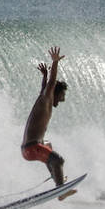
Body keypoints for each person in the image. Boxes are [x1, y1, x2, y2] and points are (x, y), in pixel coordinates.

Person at [22, 45, 68, 186]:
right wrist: (55, 62)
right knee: (58, 160)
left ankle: (56, 177)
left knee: (48, 144)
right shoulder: (47, 98)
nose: (63, 99)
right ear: (54, 92)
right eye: (62, 95)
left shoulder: (43, 98)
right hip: (32, 149)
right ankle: (61, 190)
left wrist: (44, 76)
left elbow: (45, 87)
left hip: (29, 148)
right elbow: (52, 83)